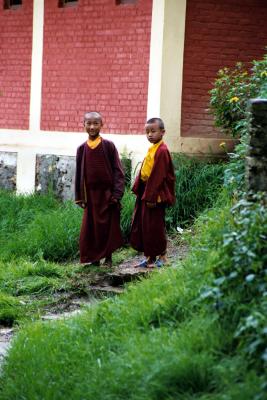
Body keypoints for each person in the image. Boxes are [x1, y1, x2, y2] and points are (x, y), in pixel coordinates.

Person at [75, 111, 125, 267]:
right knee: (91, 228)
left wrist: (117, 193)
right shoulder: (82, 148)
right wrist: (79, 196)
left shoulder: (108, 145)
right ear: (83, 125)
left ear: (101, 125)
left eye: (95, 123)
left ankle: (108, 258)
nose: (92, 126)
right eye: (88, 123)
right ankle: (94, 259)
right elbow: (79, 174)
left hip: (107, 194)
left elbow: (118, 170)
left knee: (107, 227)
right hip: (90, 195)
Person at [130, 117, 175, 268]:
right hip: (147, 190)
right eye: (147, 132)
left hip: (155, 194)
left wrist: (151, 197)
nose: (150, 134)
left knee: (155, 225)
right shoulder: (153, 147)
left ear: (162, 132)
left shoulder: (162, 150)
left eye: (153, 131)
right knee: (146, 225)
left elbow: (158, 175)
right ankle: (149, 258)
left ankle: (162, 256)